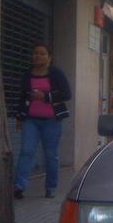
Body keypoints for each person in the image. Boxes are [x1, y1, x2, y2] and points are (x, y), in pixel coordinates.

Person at [14, 44, 72, 199]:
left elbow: (67, 94)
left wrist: (45, 97)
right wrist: (19, 118)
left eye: (42, 53)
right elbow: (22, 97)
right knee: (26, 151)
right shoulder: (27, 74)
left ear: (49, 57)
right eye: (35, 53)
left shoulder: (56, 73)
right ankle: (19, 186)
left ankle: (51, 188)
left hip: (51, 121)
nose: (37, 56)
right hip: (30, 120)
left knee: (50, 154)